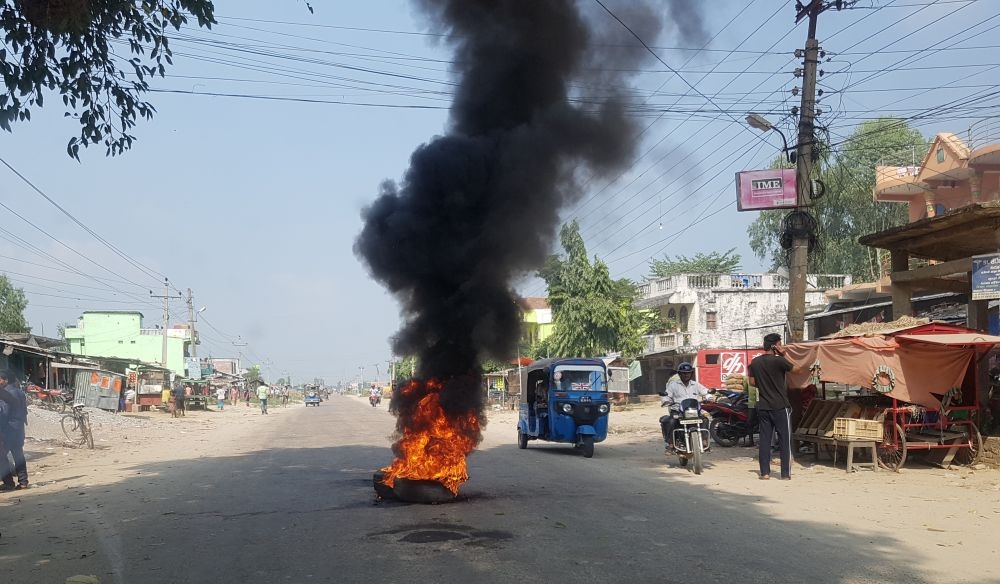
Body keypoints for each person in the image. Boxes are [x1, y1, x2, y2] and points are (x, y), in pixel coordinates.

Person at [748, 333, 795, 481]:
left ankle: (765, 473)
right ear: (774, 346)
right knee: (784, 440)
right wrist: (784, 354)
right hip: (781, 406)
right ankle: (785, 474)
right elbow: (795, 368)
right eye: (779, 344)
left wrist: (764, 384)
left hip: (763, 406)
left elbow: (752, 382)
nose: (781, 346)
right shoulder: (779, 361)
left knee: (765, 440)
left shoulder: (755, 363)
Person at [659, 362, 710, 450]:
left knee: (705, 419)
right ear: (679, 374)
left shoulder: (695, 384)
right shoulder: (673, 385)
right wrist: (666, 401)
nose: (686, 375)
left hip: (694, 410)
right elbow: (666, 395)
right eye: (684, 373)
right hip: (678, 410)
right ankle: (671, 443)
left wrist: (709, 397)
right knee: (671, 421)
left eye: (688, 373)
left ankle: (704, 440)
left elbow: (705, 391)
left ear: (691, 374)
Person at [0, 370, 29, 490]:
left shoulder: (7, 393)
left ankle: (8, 482)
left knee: (1, 456)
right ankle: (23, 482)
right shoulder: (19, 392)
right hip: (19, 428)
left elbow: (4, 413)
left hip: (9, 429)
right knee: (18, 455)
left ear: (6, 380)